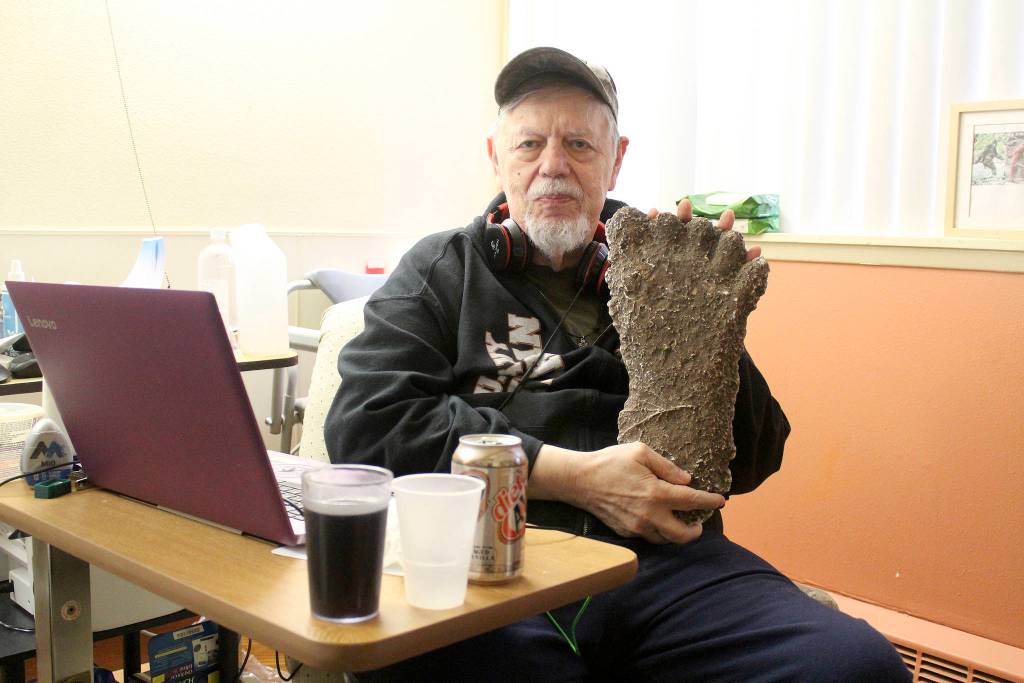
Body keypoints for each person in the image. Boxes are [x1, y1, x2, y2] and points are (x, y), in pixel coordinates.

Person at [325, 47, 909, 682]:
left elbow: (758, 456)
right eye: (529, 145)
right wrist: (572, 476)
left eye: (579, 144)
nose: (553, 166)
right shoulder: (441, 270)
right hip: (490, 563)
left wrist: (706, 331)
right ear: (497, 157)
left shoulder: (661, 270)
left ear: (616, 158)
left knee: (858, 666)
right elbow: (368, 422)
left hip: (662, 568)